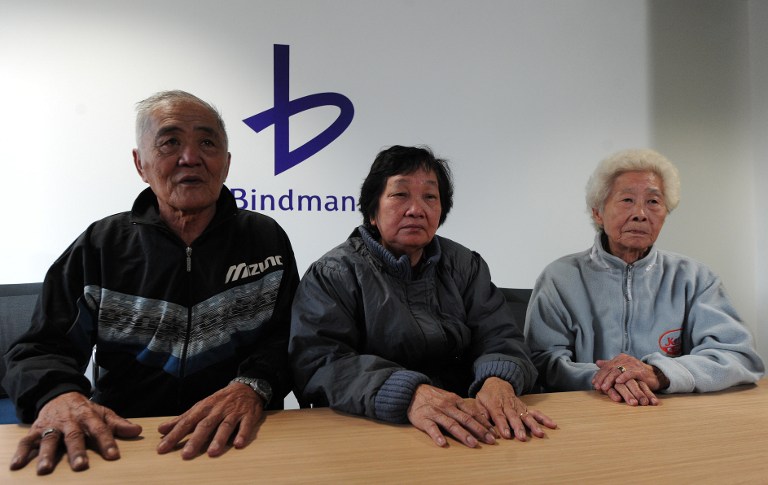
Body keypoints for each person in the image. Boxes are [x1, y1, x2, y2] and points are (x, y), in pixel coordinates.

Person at [2, 90, 299, 474]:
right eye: (170, 142)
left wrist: (252, 387)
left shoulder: (266, 238)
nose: (190, 157)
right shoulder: (101, 246)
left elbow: (289, 338)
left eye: (207, 142)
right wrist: (58, 396)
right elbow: (39, 349)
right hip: (126, 437)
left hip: (237, 438)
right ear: (140, 163)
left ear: (225, 164)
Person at [289, 145, 556, 448]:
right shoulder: (333, 274)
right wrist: (409, 393)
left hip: (469, 425)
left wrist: (498, 379)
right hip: (374, 431)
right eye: (400, 195)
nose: (416, 209)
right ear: (372, 211)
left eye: (430, 197)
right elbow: (320, 363)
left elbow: (500, 336)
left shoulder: (465, 265)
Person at [525, 148, 764, 406]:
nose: (640, 213)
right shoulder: (560, 278)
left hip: (670, 415)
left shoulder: (694, 278)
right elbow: (541, 362)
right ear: (598, 213)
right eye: (627, 200)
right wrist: (612, 378)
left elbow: (739, 356)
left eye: (653, 202)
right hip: (588, 414)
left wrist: (658, 373)